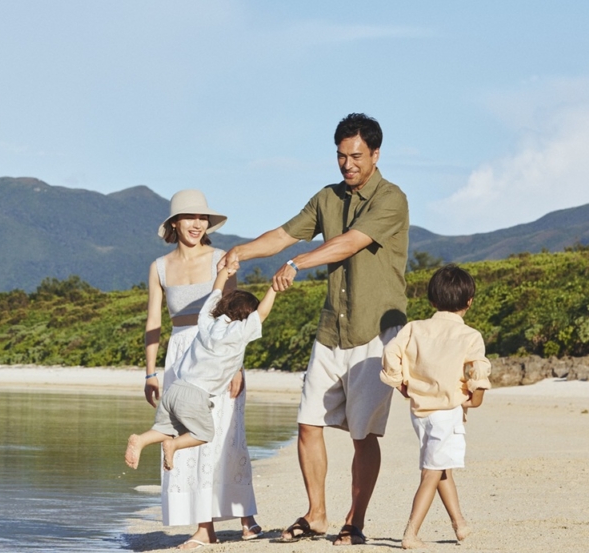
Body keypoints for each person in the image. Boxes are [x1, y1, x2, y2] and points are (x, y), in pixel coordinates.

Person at [220, 113, 409, 546]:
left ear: (376, 155)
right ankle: (316, 514)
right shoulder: (327, 197)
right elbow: (284, 234)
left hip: (376, 332)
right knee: (308, 424)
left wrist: (297, 263)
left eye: (356, 156)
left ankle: (355, 521)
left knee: (363, 435)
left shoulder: (392, 199)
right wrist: (241, 251)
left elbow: (350, 242)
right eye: (341, 156)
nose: (347, 164)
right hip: (331, 329)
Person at [144, 189, 261, 549]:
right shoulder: (159, 267)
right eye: (190, 217)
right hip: (180, 356)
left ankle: (245, 514)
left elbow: (237, 314)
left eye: (202, 218)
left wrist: (238, 367)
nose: (197, 224)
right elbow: (153, 321)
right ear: (174, 223)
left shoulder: (221, 259)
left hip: (220, 351)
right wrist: (150, 372)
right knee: (191, 435)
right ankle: (203, 527)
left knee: (227, 434)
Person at [127, 258, 275, 472]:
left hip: (175, 388)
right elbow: (262, 313)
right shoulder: (238, 332)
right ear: (246, 316)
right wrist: (274, 288)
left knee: (167, 428)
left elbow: (215, 292)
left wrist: (223, 274)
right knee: (204, 433)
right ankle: (174, 445)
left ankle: (141, 440)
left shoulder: (207, 321)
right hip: (196, 394)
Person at [380, 265, 490, 549]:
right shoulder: (470, 336)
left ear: (432, 300)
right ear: (469, 301)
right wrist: (474, 399)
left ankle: (459, 523)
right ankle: (411, 533)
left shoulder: (413, 328)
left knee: (441, 468)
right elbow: (478, 370)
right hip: (446, 413)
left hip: (419, 412)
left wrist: (400, 383)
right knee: (431, 471)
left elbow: (391, 352)